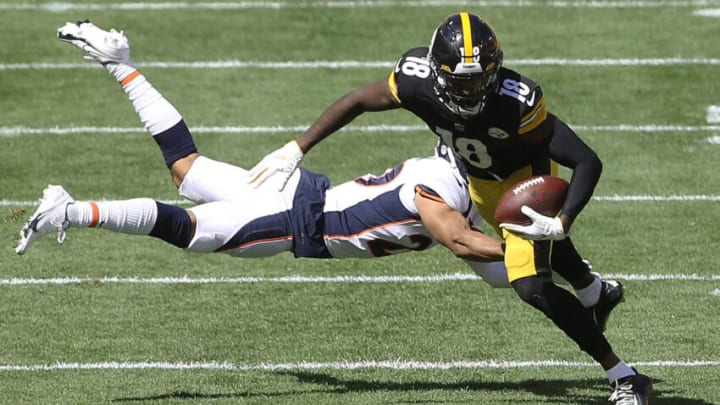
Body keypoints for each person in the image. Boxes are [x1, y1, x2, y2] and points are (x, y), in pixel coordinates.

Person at [247, 12, 652, 404]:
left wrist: (562, 219)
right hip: (478, 181)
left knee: (531, 285)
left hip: (521, 183)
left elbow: (586, 160)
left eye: (480, 81)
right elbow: (358, 100)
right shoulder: (414, 78)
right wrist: (297, 147)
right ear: (436, 71)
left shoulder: (517, 102)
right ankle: (595, 292)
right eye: (462, 83)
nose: (472, 92)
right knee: (536, 250)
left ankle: (626, 377)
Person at [16, 20, 510, 285]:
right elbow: (463, 241)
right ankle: (70, 210)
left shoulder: (447, 176)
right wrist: (531, 248)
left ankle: (118, 62)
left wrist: (580, 283)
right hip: (300, 219)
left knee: (185, 170)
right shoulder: (443, 189)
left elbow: (497, 271)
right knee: (189, 231)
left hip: (299, 189)